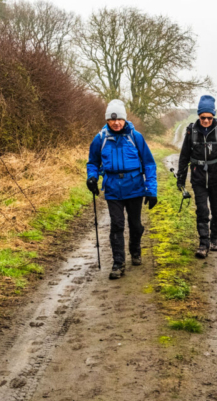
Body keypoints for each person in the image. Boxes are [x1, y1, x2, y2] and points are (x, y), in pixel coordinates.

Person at [86, 99, 158, 279]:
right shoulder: (100, 138)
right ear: (107, 120)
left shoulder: (135, 137)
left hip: (134, 187)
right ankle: (118, 262)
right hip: (112, 189)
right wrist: (92, 177)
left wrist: (151, 190)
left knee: (135, 224)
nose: (116, 123)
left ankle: (135, 250)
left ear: (124, 119)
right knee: (117, 225)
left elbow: (149, 164)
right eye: (112, 119)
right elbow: (93, 162)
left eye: (119, 119)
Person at [176, 95, 217, 258]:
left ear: (213, 116)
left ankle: (215, 238)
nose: (206, 121)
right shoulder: (191, 132)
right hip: (198, 179)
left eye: (210, 118)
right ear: (199, 116)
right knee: (202, 211)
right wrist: (181, 178)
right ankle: (204, 243)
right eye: (203, 117)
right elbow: (184, 157)